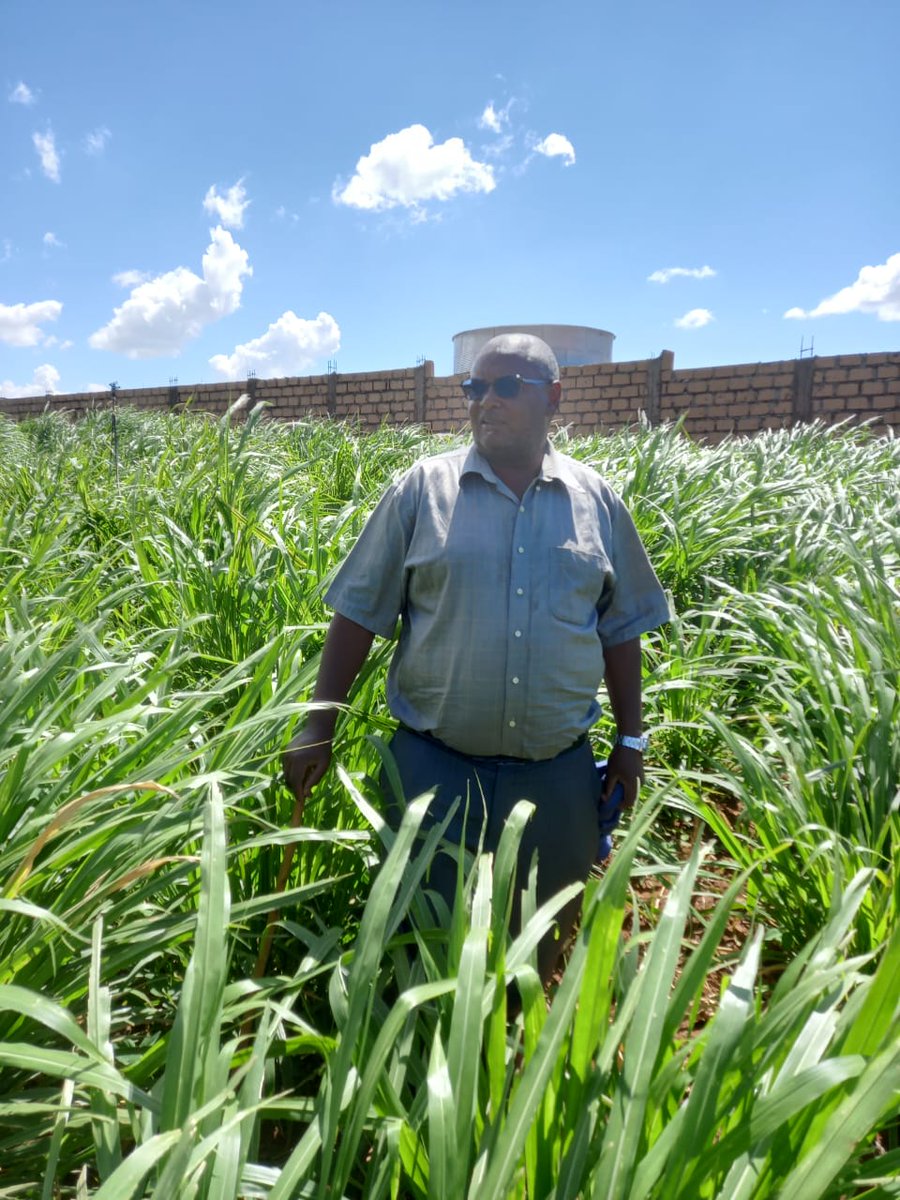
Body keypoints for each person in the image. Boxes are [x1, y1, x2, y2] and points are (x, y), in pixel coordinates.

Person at [283, 333, 670, 983]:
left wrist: (630, 739)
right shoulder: (422, 490)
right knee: (423, 947)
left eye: (506, 386)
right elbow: (357, 611)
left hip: (557, 781)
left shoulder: (595, 501)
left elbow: (621, 626)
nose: (485, 400)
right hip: (435, 773)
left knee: (536, 948)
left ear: (552, 397)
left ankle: (512, 1056)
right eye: (474, 388)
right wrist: (317, 722)